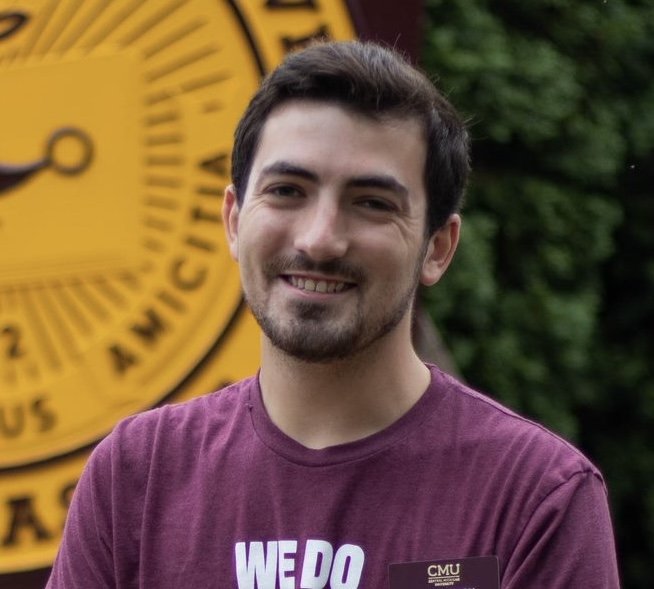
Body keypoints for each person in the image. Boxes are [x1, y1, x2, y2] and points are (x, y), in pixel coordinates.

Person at [47, 40, 619, 588]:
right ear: (234, 220)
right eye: (287, 191)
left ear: (438, 248)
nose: (320, 239)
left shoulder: (535, 496)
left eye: (372, 203)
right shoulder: (137, 476)